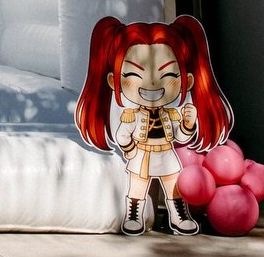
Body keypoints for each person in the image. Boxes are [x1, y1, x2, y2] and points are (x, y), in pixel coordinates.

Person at [74, 14, 233, 235]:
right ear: (113, 81)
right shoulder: (131, 115)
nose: (150, 83)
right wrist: (129, 149)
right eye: (133, 74)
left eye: (168, 74)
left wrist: (188, 123)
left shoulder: (171, 114)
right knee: (137, 187)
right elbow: (123, 136)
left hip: (167, 154)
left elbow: (181, 137)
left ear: (187, 80)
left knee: (174, 186)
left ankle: (179, 214)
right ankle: (134, 214)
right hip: (141, 156)